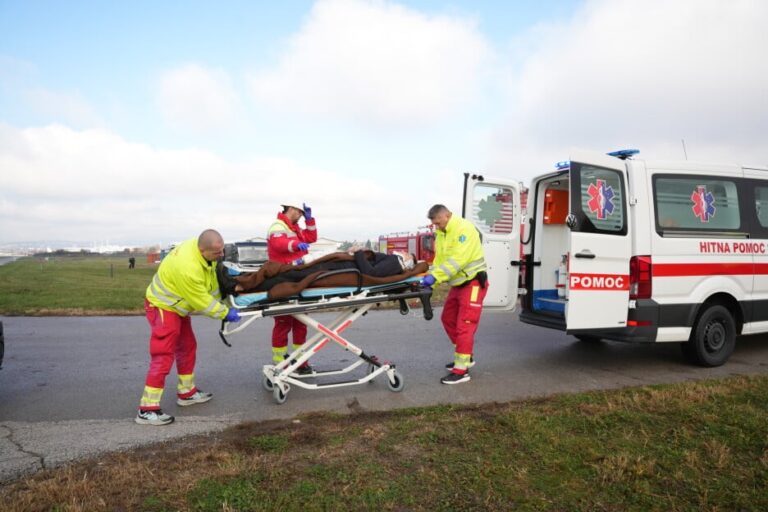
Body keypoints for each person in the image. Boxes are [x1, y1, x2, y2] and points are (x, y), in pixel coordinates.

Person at [135, 229, 241, 426]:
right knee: (163, 354)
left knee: (187, 347)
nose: (221, 256)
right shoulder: (188, 268)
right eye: (217, 253)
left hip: (177, 307)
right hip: (163, 306)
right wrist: (225, 313)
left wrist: (225, 303)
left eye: (221, 250)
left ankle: (186, 392)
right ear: (203, 250)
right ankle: (147, 409)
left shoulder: (203, 255)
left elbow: (210, 287)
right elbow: (202, 302)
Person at [420, 204, 488, 385]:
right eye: (434, 224)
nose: (437, 226)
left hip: (473, 282)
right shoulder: (442, 234)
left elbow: (458, 260)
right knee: (448, 318)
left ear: (447, 215)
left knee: (465, 324)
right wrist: (431, 278)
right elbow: (440, 261)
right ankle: (466, 356)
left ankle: (461, 370)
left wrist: (435, 277)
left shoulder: (464, 228)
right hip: (458, 284)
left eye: (438, 222)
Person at [266, 201, 317, 372]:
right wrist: (295, 245)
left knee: (301, 324)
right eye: (301, 213)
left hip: (298, 278)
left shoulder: (295, 227)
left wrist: (310, 222)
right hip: (283, 279)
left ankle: (300, 362)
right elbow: (278, 244)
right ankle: (280, 363)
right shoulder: (278, 225)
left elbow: (311, 238)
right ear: (292, 209)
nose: (301, 216)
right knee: (283, 323)